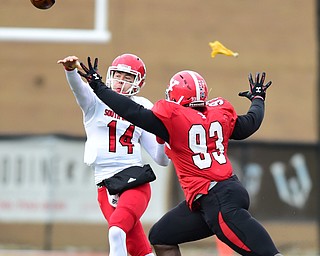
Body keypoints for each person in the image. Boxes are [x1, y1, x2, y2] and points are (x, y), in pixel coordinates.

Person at [78, 56, 283, 256]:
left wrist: (98, 86)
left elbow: (131, 111)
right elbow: (250, 123)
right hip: (210, 197)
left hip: (218, 200)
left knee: (266, 253)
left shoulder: (175, 121)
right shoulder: (218, 114)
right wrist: (258, 98)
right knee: (161, 236)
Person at [57, 54, 170, 256]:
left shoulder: (143, 106)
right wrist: (71, 71)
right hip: (105, 185)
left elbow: (161, 159)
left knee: (117, 232)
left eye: (127, 78)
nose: (120, 81)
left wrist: (163, 137)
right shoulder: (95, 101)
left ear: (138, 83)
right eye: (118, 75)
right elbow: (79, 90)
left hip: (134, 180)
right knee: (138, 250)